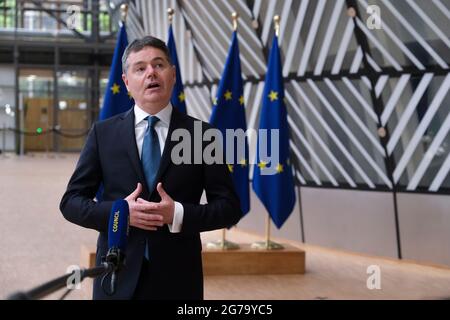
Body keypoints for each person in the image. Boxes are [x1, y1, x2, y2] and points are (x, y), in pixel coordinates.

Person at [60, 36, 242, 300]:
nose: (151, 73)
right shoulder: (104, 133)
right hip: (116, 273)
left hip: (178, 279)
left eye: (159, 65)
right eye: (140, 68)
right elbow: (71, 202)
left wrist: (176, 214)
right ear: (126, 82)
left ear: (173, 74)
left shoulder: (202, 136)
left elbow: (229, 207)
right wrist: (120, 214)